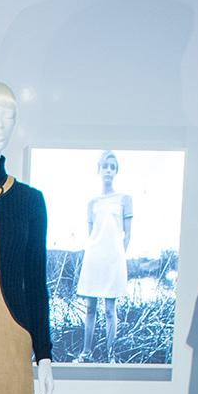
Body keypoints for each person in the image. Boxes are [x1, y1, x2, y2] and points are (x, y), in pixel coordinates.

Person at [76, 150, 132, 361]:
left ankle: (111, 354)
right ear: (99, 169)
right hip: (94, 258)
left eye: (112, 167)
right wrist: (96, 253)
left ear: (116, 171)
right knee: (90, 307)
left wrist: (118, 256)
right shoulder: (92, 202)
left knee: (110, 309)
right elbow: (92, 234)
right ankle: (86, 352)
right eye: (105, 166)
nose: (108, 170)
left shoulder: (125, 199)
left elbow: (127, 234)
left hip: (113, 259)